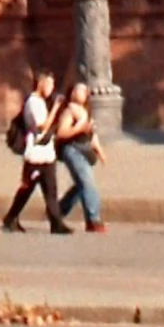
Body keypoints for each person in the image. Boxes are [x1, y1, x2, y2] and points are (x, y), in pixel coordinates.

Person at [1, 70, 74, 234]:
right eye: (49, 84)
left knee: (51, 191)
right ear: (41, 83)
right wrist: (55, 108)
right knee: (27, 189)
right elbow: (42, 126)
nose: (51, 88)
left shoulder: (41, 101)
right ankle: (10, 218)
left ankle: (56, 223)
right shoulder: (33, 103)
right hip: (34, 155)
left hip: (47, 155)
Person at [53, 81, 107, 232]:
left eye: (85, 91)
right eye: (80, 90)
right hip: (72, 149)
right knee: (87, 182)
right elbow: (61, 133)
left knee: (81, 184)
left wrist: (100, 151)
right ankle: (93, 220)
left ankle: (58, 211)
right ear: (73, 93)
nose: (84, 93)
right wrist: (78, 128)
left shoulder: (85, 111)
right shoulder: (69, 111)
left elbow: (91, 134)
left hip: (84, 150)